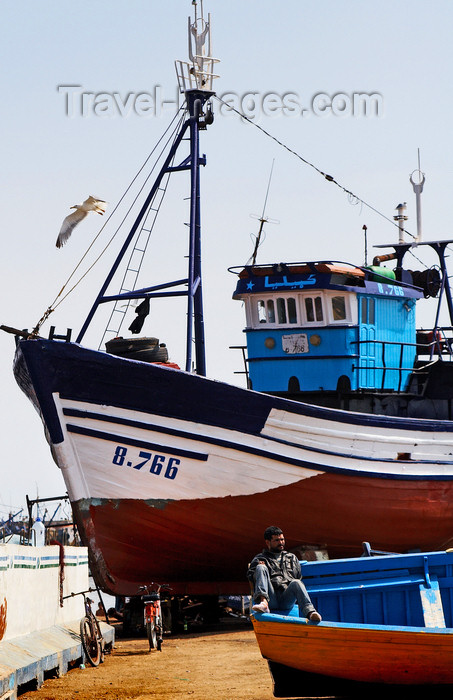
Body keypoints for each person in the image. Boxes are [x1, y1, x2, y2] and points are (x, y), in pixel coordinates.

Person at [247, 525, 322, 623]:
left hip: (286, 598)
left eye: (282, 539)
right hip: (271, 598)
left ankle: (310, 613)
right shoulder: (260, 558)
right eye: (277, 540)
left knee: (297, 582)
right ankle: (264, 603)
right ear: (268, 542)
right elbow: (251, 578)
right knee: (260, 567)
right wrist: (260, 568)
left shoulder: (291, 558)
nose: (281, 542)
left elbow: (298, 576)